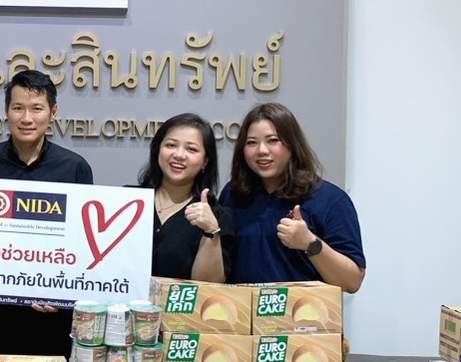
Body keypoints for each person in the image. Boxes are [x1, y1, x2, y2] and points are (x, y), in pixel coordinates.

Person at [0, 69, 93, 357]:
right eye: (18, 108)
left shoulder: (74, 167)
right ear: (7, 111)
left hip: (49, 315)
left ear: (53, 113)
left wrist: (63, 294)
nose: (27, 118)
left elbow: (84, 245)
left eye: (37, 109)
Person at [219, 102, 366, 290]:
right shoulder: (233, 194)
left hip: (303, 308)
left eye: (273, 140)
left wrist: (310, 243)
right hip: (241, 308)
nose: (262, 150)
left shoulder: (329, 199)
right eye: (252, 142)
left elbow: (352, 282)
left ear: (292, 144)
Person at [139, 114, 233, 280]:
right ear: (158, 149)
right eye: (171, 145)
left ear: (205, 161)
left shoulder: (216, 216)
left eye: (191, 149)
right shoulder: (128, 202)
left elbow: (210, 284)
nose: (179, 155)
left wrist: (211, 231)